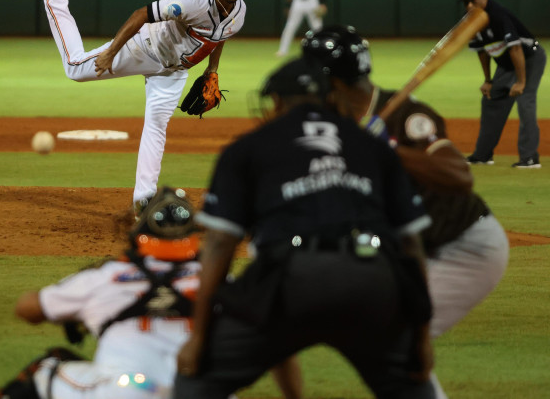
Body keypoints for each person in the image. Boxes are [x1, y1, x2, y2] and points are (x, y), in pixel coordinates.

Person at [174, 57, 436, 399]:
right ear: (331, 99)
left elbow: (220, 244)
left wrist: (198, 338)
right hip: (371, 280)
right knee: (412, 386)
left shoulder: (247, 148)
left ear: (277, 102)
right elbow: (412, 246)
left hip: (289, 283)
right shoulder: (372, 147)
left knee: (197, 381)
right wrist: (420, 338)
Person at [301, 24, 510, 398]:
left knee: (391, 337)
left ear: (328, 78)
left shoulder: (406, 116)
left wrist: (388, 152)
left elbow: (459, 175)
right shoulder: (336, 123)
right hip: (410, 250)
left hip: (465, 246)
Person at [20, 0, 249, 209]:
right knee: (75, 68)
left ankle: (144, 199)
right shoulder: (191, 3)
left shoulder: (239, 12)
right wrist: (110, 53)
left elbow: (221, 37)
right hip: (143, 49)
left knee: (156, 126)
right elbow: (141, 14)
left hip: (172, 73)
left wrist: (212, 70)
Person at [0, 187, 203, 399]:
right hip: (202, 392)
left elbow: (27, 308)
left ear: (140, 234)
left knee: (47, 368)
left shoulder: (108, 276)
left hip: (129, 391)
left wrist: (80, 313)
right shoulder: (217, 281)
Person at [460, 0, 546, 167]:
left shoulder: (498, 15)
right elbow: (482, 51)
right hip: (506, 64)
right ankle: (482, 155)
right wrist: (488, 80)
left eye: (472, 1)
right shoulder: (473, 20)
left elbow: (516, 49)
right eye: (465, 2)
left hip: (529, 58)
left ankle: (530, 158)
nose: (469, 6)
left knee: (525, 100)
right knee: (491, 100)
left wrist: (521, 82)